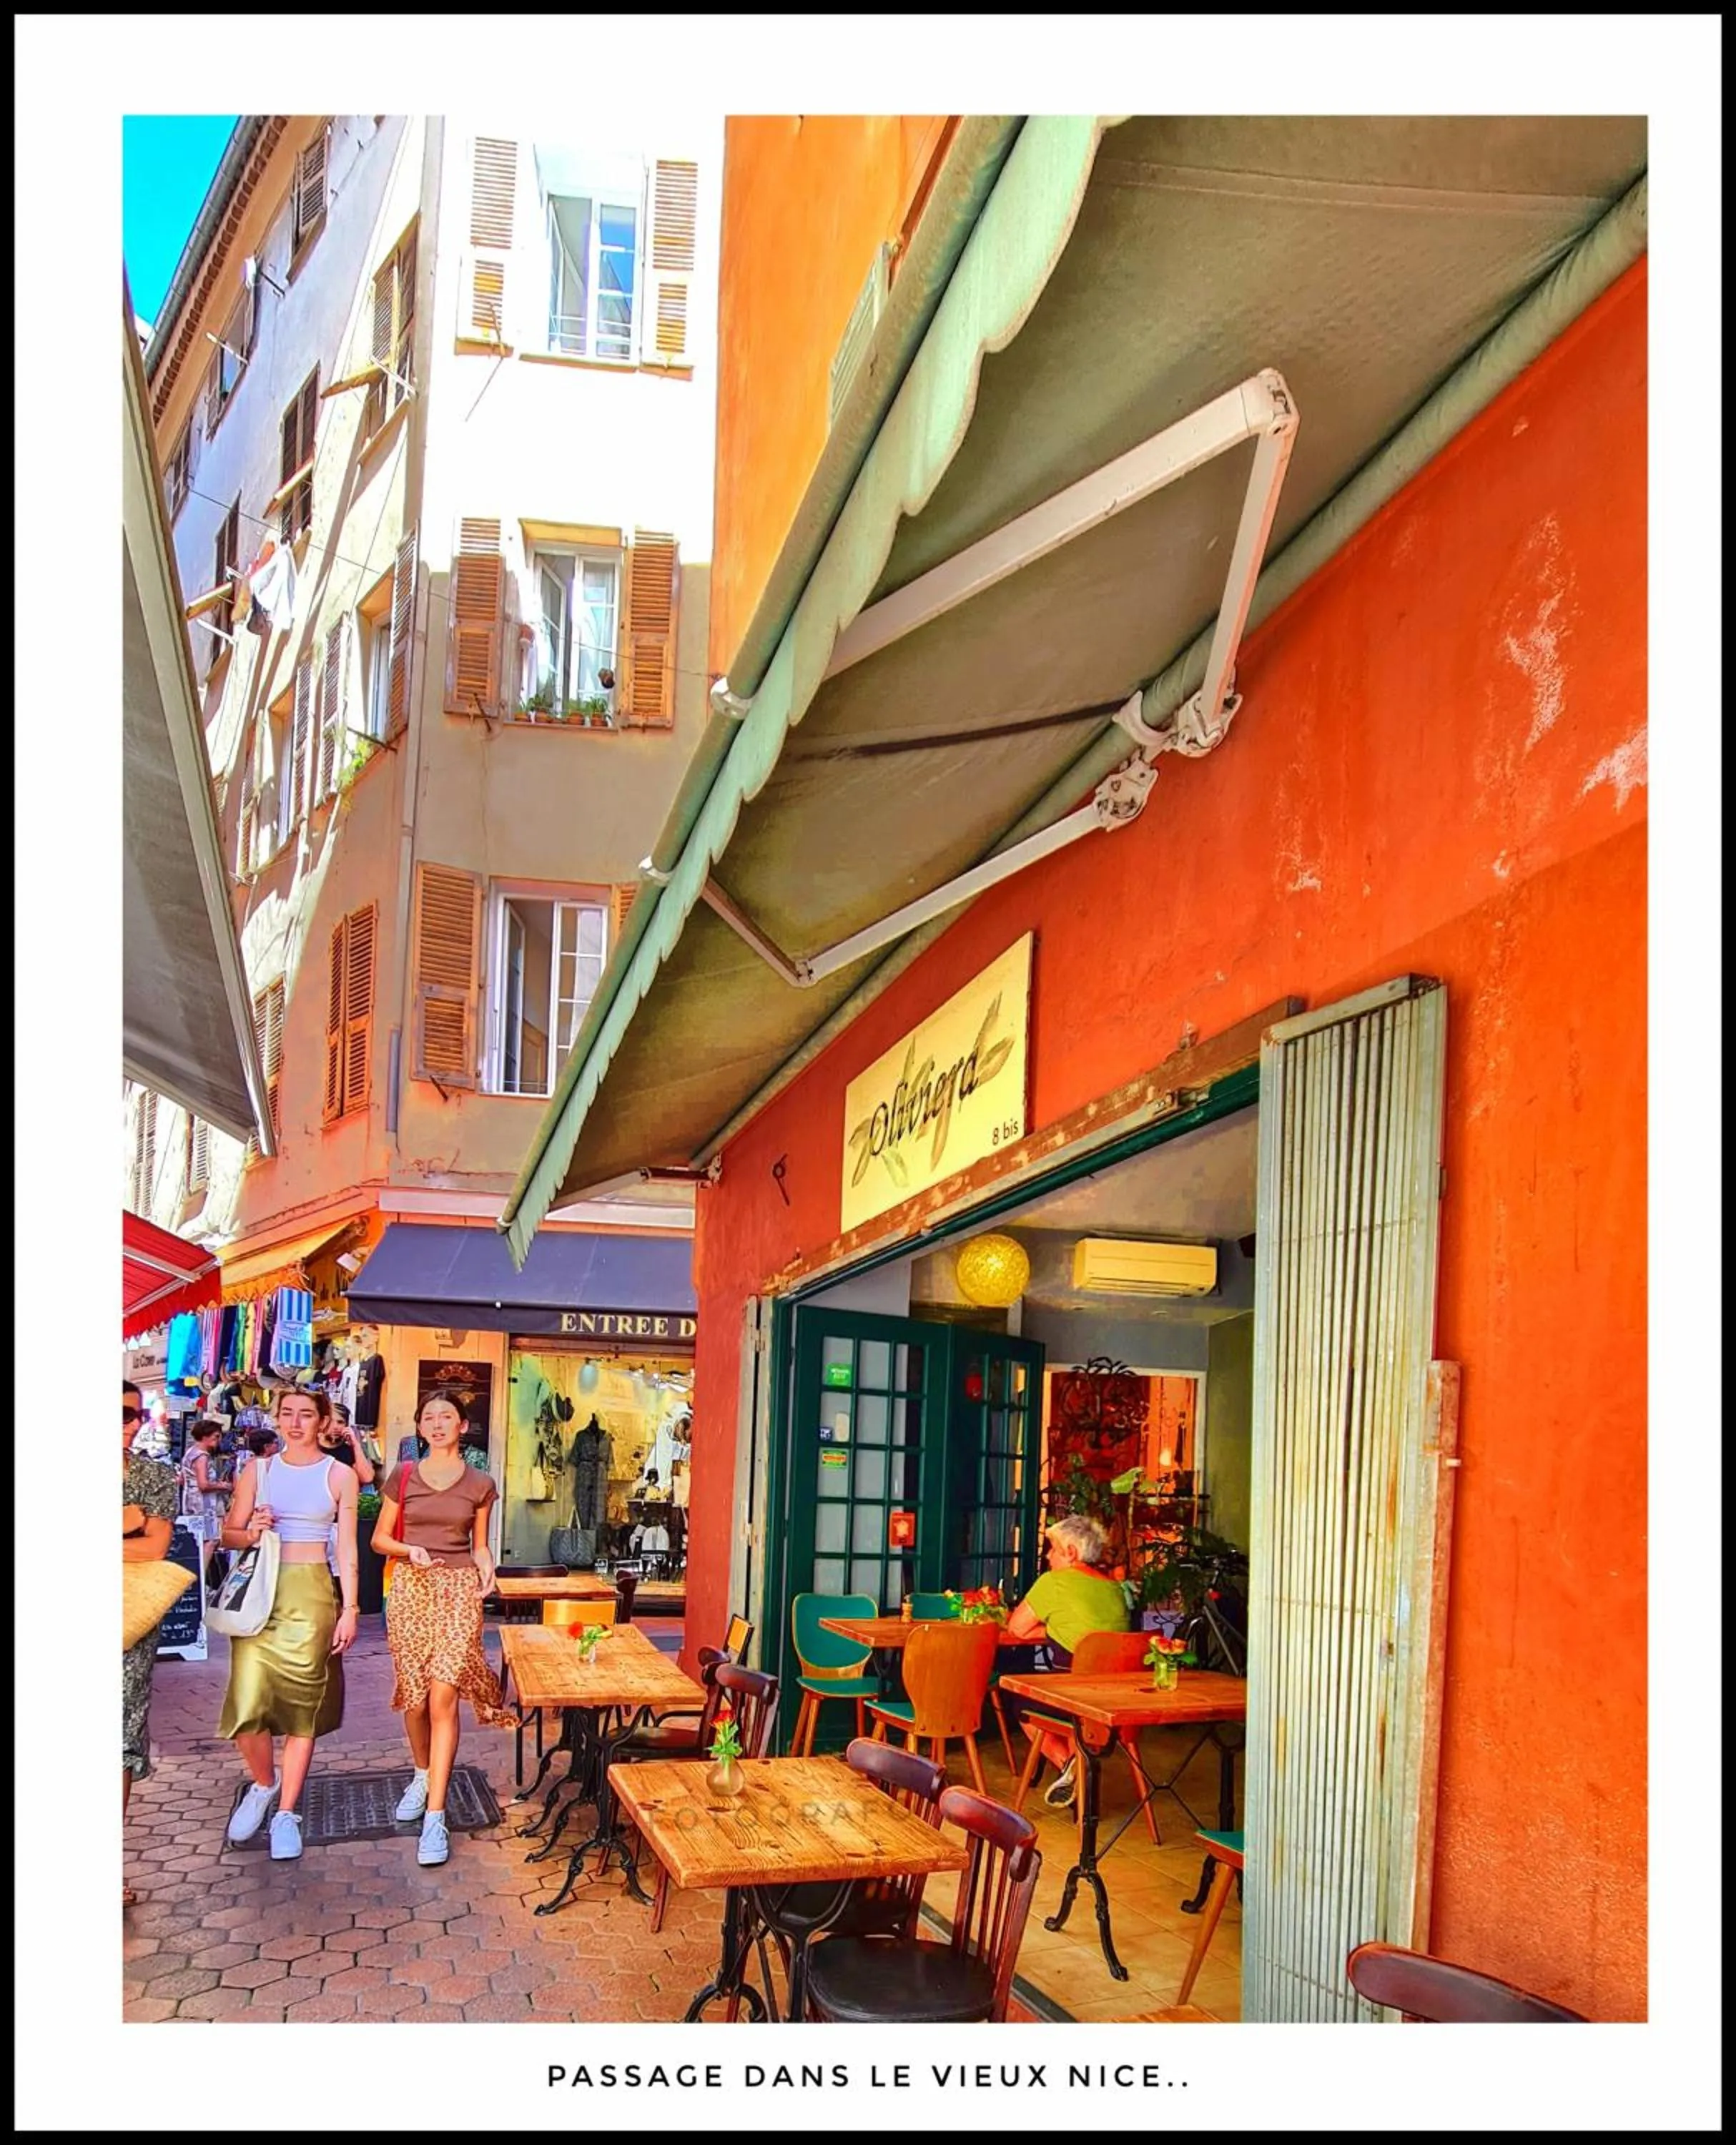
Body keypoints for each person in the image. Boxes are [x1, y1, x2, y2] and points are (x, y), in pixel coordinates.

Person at [373, 1388, 515, 1868]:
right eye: (428, 1417)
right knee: (413, 1698)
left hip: (458, 1589)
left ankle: (436, 1816)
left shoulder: (480, 1483)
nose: (436, 1423)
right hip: (412, 1586)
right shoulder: (404, 1475)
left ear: (462, 1427)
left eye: (446, 1416)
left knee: (442, 1695)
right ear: (420, 1428)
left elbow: (478, 1543)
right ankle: (421, 1772)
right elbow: (379, 1538)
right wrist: (405, 1551)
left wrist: (488, 1567)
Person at [217, 1388, 360, 1860]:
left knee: (303, 1707)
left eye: (306, 1414)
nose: (296, 1422)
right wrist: (253, 1529)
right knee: (247, 1705)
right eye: (287, 1414)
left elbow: (347, 1549)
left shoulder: (339, 1474)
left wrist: (351, 1608)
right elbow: (228, 1535)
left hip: (313, 1592)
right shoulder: (257, 1470)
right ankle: (263, 1784)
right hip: (263, 1590)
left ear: (322, 1421)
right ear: (277, 1419)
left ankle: (287, 1812)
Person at [1005, 1514, 1133, 1808]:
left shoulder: (1055, 1583)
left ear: (1071, 1553)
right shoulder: (1114, 1587)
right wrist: (1059, 1626)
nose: (1048, 1556)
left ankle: (1071, 1768)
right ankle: (1077, 1767)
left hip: (1075, 1703)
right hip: (1116, 1704)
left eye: (1052, 1548)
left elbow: (1017, 1628)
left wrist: (1053, 1627)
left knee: (1018, 1699)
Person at [123, 1380, 179, 1908]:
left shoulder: (154, 1476)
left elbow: (157, 1547)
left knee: (120, 1737)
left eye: (135, 1415)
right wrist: (127, 1524)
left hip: (127, 1620)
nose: (130, 1423)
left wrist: (142, 1529)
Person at [179, 1418, 231, 1582]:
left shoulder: (190, 1452)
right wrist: (224, 1486)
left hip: (190, 1500)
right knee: (211, 1540)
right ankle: (199, 1579)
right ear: (205, 1436)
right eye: (215, 1437)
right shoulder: (202, 1457)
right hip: (204, 1503)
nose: (218, 1440)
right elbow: (204, 1484)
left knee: (199, 1539)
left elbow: (181, 1479)